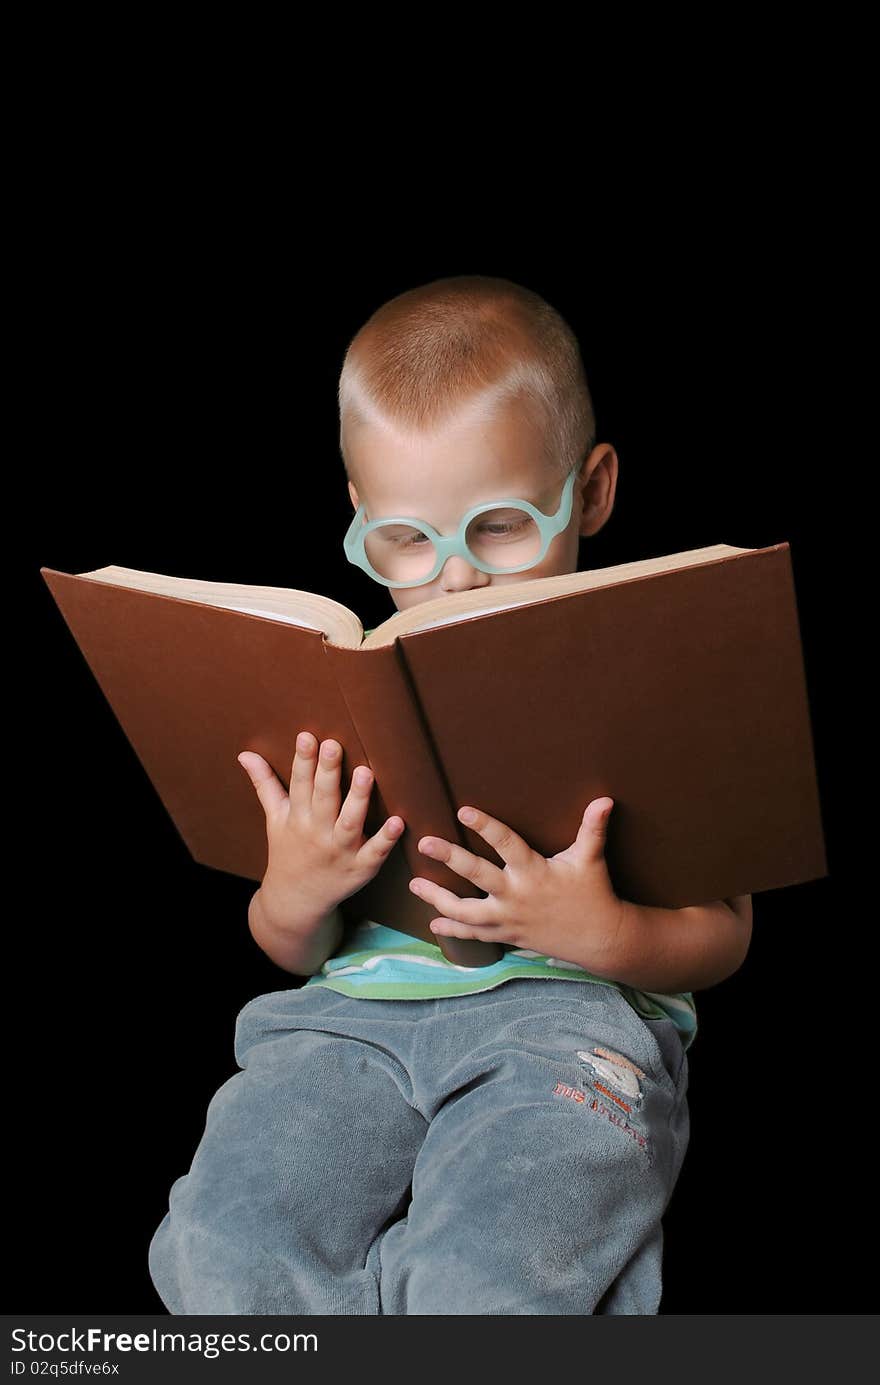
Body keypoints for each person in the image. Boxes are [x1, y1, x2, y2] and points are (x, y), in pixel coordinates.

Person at [148, 275, 752, 1315]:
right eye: (407, 540)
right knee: (216, 1251)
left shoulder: (660, 669)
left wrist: (596, 929)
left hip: (565, 1021)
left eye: (503, 526)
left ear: (592, 489)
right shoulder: (343, 687)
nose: (456, 580)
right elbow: (289, 947)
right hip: (345, 1021)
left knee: (490, 1271)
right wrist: (293, 891)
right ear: (358, 515)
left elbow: (726, 936)